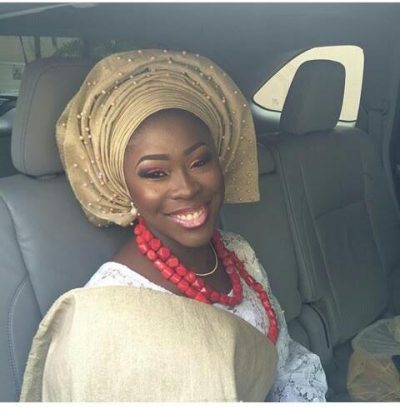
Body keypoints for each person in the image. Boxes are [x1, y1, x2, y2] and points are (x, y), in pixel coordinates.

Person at [21, 49, 327, 402]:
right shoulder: (107, 312)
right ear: (122, 184)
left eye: (200, 161)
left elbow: (284, 362)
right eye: (155, 173)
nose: (186, 188)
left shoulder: (237, 251)